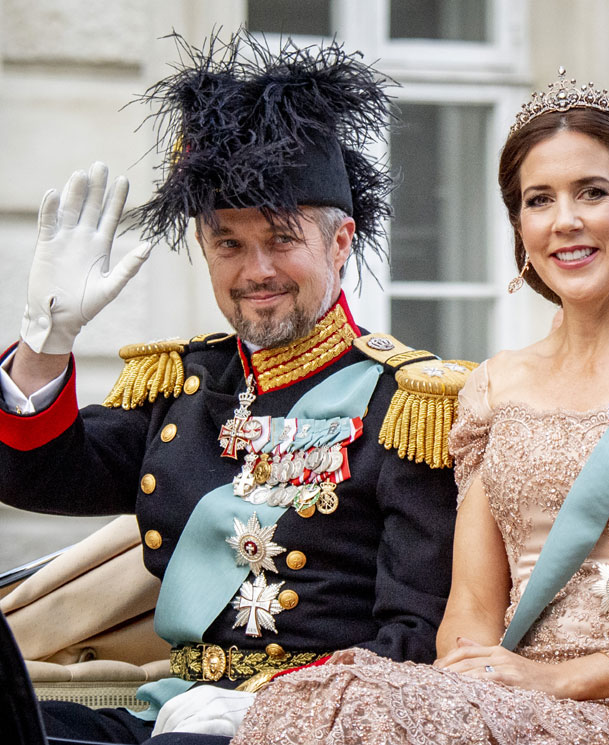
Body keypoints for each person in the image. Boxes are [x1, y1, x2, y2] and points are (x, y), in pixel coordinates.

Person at [226, 68, 609, 744]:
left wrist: (558, 680)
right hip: (506, 706)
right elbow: (469, 610)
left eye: (591, 192)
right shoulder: (493, 388)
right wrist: (469, 691)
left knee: (354, 703)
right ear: (518, 226)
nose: (564, 221)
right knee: (317, 695)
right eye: (538, 199)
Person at [0, 31, 469, 744]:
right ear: (203, 248)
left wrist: (282, 707)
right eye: (229, 243)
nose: (256, 270)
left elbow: (415, 637)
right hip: (171, 705)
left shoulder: (407, 406)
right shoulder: (183, 384)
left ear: (339, 243)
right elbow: (40, 473)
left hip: (313, 723)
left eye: (281, 238)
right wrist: (43, 343)